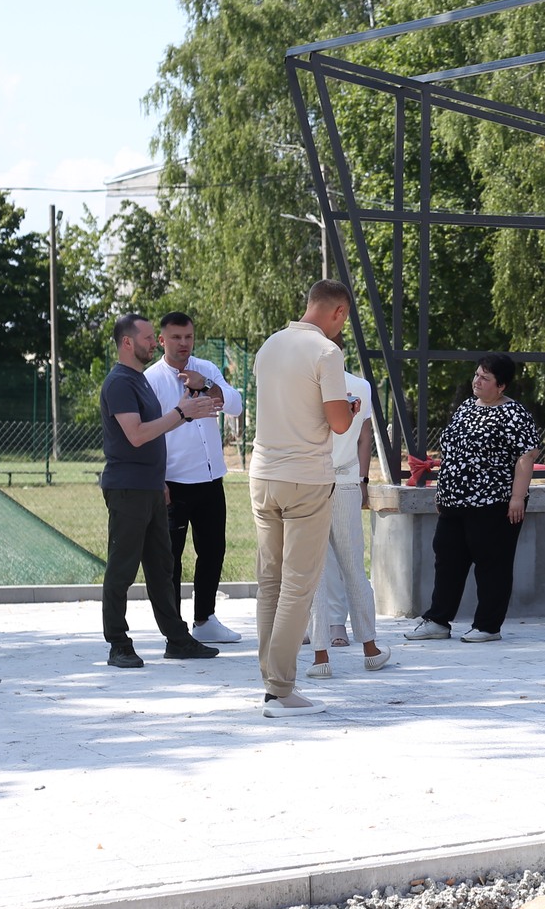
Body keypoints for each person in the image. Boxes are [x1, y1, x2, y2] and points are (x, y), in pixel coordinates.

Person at [249, 279, 359, 716]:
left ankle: (270, 680)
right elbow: (337, 423)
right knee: (299, 585)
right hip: (306, 479)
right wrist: (349, 409)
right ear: (338, 313)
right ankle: (280, 689)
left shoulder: (270, 345)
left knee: (270, 583)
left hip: (262, 476)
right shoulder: (327, 353)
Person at [100, 313, 223, 668]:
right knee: (122, 569)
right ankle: (118, 644)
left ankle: (178, 639)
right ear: (127, 342)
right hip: (128, 490)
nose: (155, 343)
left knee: (161, 566)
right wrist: (182, 413)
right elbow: (137, 435)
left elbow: (153, 432)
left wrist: (161, 482)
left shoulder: (137, 380)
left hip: (151, 489)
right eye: (149, 338)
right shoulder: (120, 383)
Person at [402, 354, 540, 644]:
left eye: (485, 378)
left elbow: (526, 457)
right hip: (455, 501)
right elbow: (451, 454)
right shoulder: (466, 408)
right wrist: (443, 492)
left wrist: (517, 497)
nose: (477, 381)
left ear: (501, 386)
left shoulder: (514, 414)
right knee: (447, 558)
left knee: (492, 563)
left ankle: (488, 626)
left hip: (494, 501)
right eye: (477, 375)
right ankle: (438, 620)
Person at [146, 311, 245, 644]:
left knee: (213, 550)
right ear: (162, 340)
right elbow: (148, 434)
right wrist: (156, 479)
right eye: (175, 337)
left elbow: (235, 405)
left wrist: (206, 385)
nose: (183, 343)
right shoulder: (151, 380)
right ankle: (174, 628)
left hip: (210, 477)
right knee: (170, 558)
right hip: (173, 481)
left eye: (188, 337)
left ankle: (205, 619)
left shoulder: (207, 369)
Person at [308, 367, 389, 677]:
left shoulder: (304, 382)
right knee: (354, 566)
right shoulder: (360, 386)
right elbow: (363, 435)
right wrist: (363, 478)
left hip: (311, 480)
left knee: (315, 568)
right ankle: (370, 648)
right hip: (345, 479)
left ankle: (320, 656)